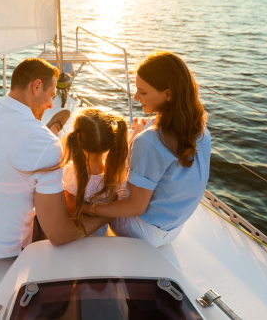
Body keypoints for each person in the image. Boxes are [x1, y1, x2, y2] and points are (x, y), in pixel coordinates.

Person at [0, 58, 110, 259]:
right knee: (56, 202)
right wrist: (105, 216)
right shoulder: (47, 146)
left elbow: (5, 134)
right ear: (36, 86)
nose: (50, 104)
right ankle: (51, 131)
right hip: (3, 249)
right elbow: (59, 234)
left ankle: (51, 130)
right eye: (51, 95)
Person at [81, 51, 211, 247]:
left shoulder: (150, 142)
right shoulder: (200, 128)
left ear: (168, 94)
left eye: (143, 92)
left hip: (141, 232)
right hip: (173, 229)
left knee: (97, 175)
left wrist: (87, 209)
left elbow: (135, 207)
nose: (135, 97)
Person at [58, 108, 129, 236]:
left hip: (78, 234)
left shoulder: (70, 172)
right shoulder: (115, 174)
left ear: (77, 140)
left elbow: (69, 207)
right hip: (100, 232)